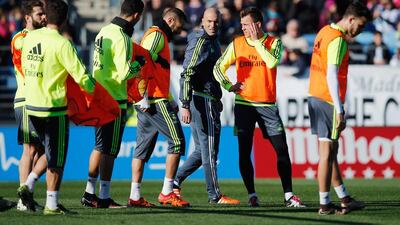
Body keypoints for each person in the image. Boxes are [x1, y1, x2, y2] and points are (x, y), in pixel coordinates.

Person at [213, 7, 305, 208]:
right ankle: (252, 194)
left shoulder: (275, 42)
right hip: (244, 105)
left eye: (247, 25)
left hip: (267, 106)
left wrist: (256, 43)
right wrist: (229, 86)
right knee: (244, 151)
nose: (243, 28)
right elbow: (217, 67)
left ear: (258, 25)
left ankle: (289, 195)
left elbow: (272, 62)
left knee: (281, 149)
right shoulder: (237, 44)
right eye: (242, 25)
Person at [21, 0, 96, 215]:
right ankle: (50, 204)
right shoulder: (63, 44)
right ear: (64, 20)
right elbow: (82, 77)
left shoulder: (29, 38)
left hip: (31, 105)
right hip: (53, 109)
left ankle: (29, 184)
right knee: (57, 157)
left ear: (46, 16)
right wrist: (97, 91)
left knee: (46, 151)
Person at [308, 1, 372, 215]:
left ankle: (344, 198)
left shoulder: (324, 31)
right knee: (327, 154)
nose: (360, 31)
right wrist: (339, 108)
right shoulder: (338, 41)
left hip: (315, 96)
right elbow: (332, 75)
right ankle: (325, 204)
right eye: (360, 26)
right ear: (351, 19)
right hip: (327, 100)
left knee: (330, 152)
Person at [80, 0, 144, 209]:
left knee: (99, 146)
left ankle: (89, 194)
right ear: (136, 16)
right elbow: (124, 73)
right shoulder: (122, 38)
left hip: (99, 95)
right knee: (110, 150)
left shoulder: (104, 31)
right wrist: (139, 64)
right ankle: (104, 198)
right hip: (114, 99)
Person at [172, 8, 239, 205]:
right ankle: (215, 195)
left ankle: (174, 182)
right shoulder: (201, 41)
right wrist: (184, 103)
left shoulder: (212, 41)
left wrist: (218, 97)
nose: (212, 25)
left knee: (202, 151)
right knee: (209, 150)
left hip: (207, 99)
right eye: (209, 21)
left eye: (216, 22)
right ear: (202, 20)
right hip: (201, 100)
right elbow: (187, 73)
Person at [127, 7, 189, 207]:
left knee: (142, 150)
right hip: (153, 100)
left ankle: (135, 196)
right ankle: (167, 192)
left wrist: (170, 98)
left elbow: (156, 70)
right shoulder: (157, 35)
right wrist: (142, 94)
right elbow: (141, 60)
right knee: (177, 142)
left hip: (152, 99)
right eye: (178, 27)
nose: (179, 32)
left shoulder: (157, 36)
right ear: (170, 20)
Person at [11, 0, 47, 212]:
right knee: (30, 149)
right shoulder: (21, 38)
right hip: (26, 99)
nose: (44, 17)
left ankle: (28, 193)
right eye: (39, 14)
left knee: (41, 150)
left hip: (40, 100)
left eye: (44, 14)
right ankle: (22, 199)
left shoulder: (42, 36)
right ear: (27, 18)